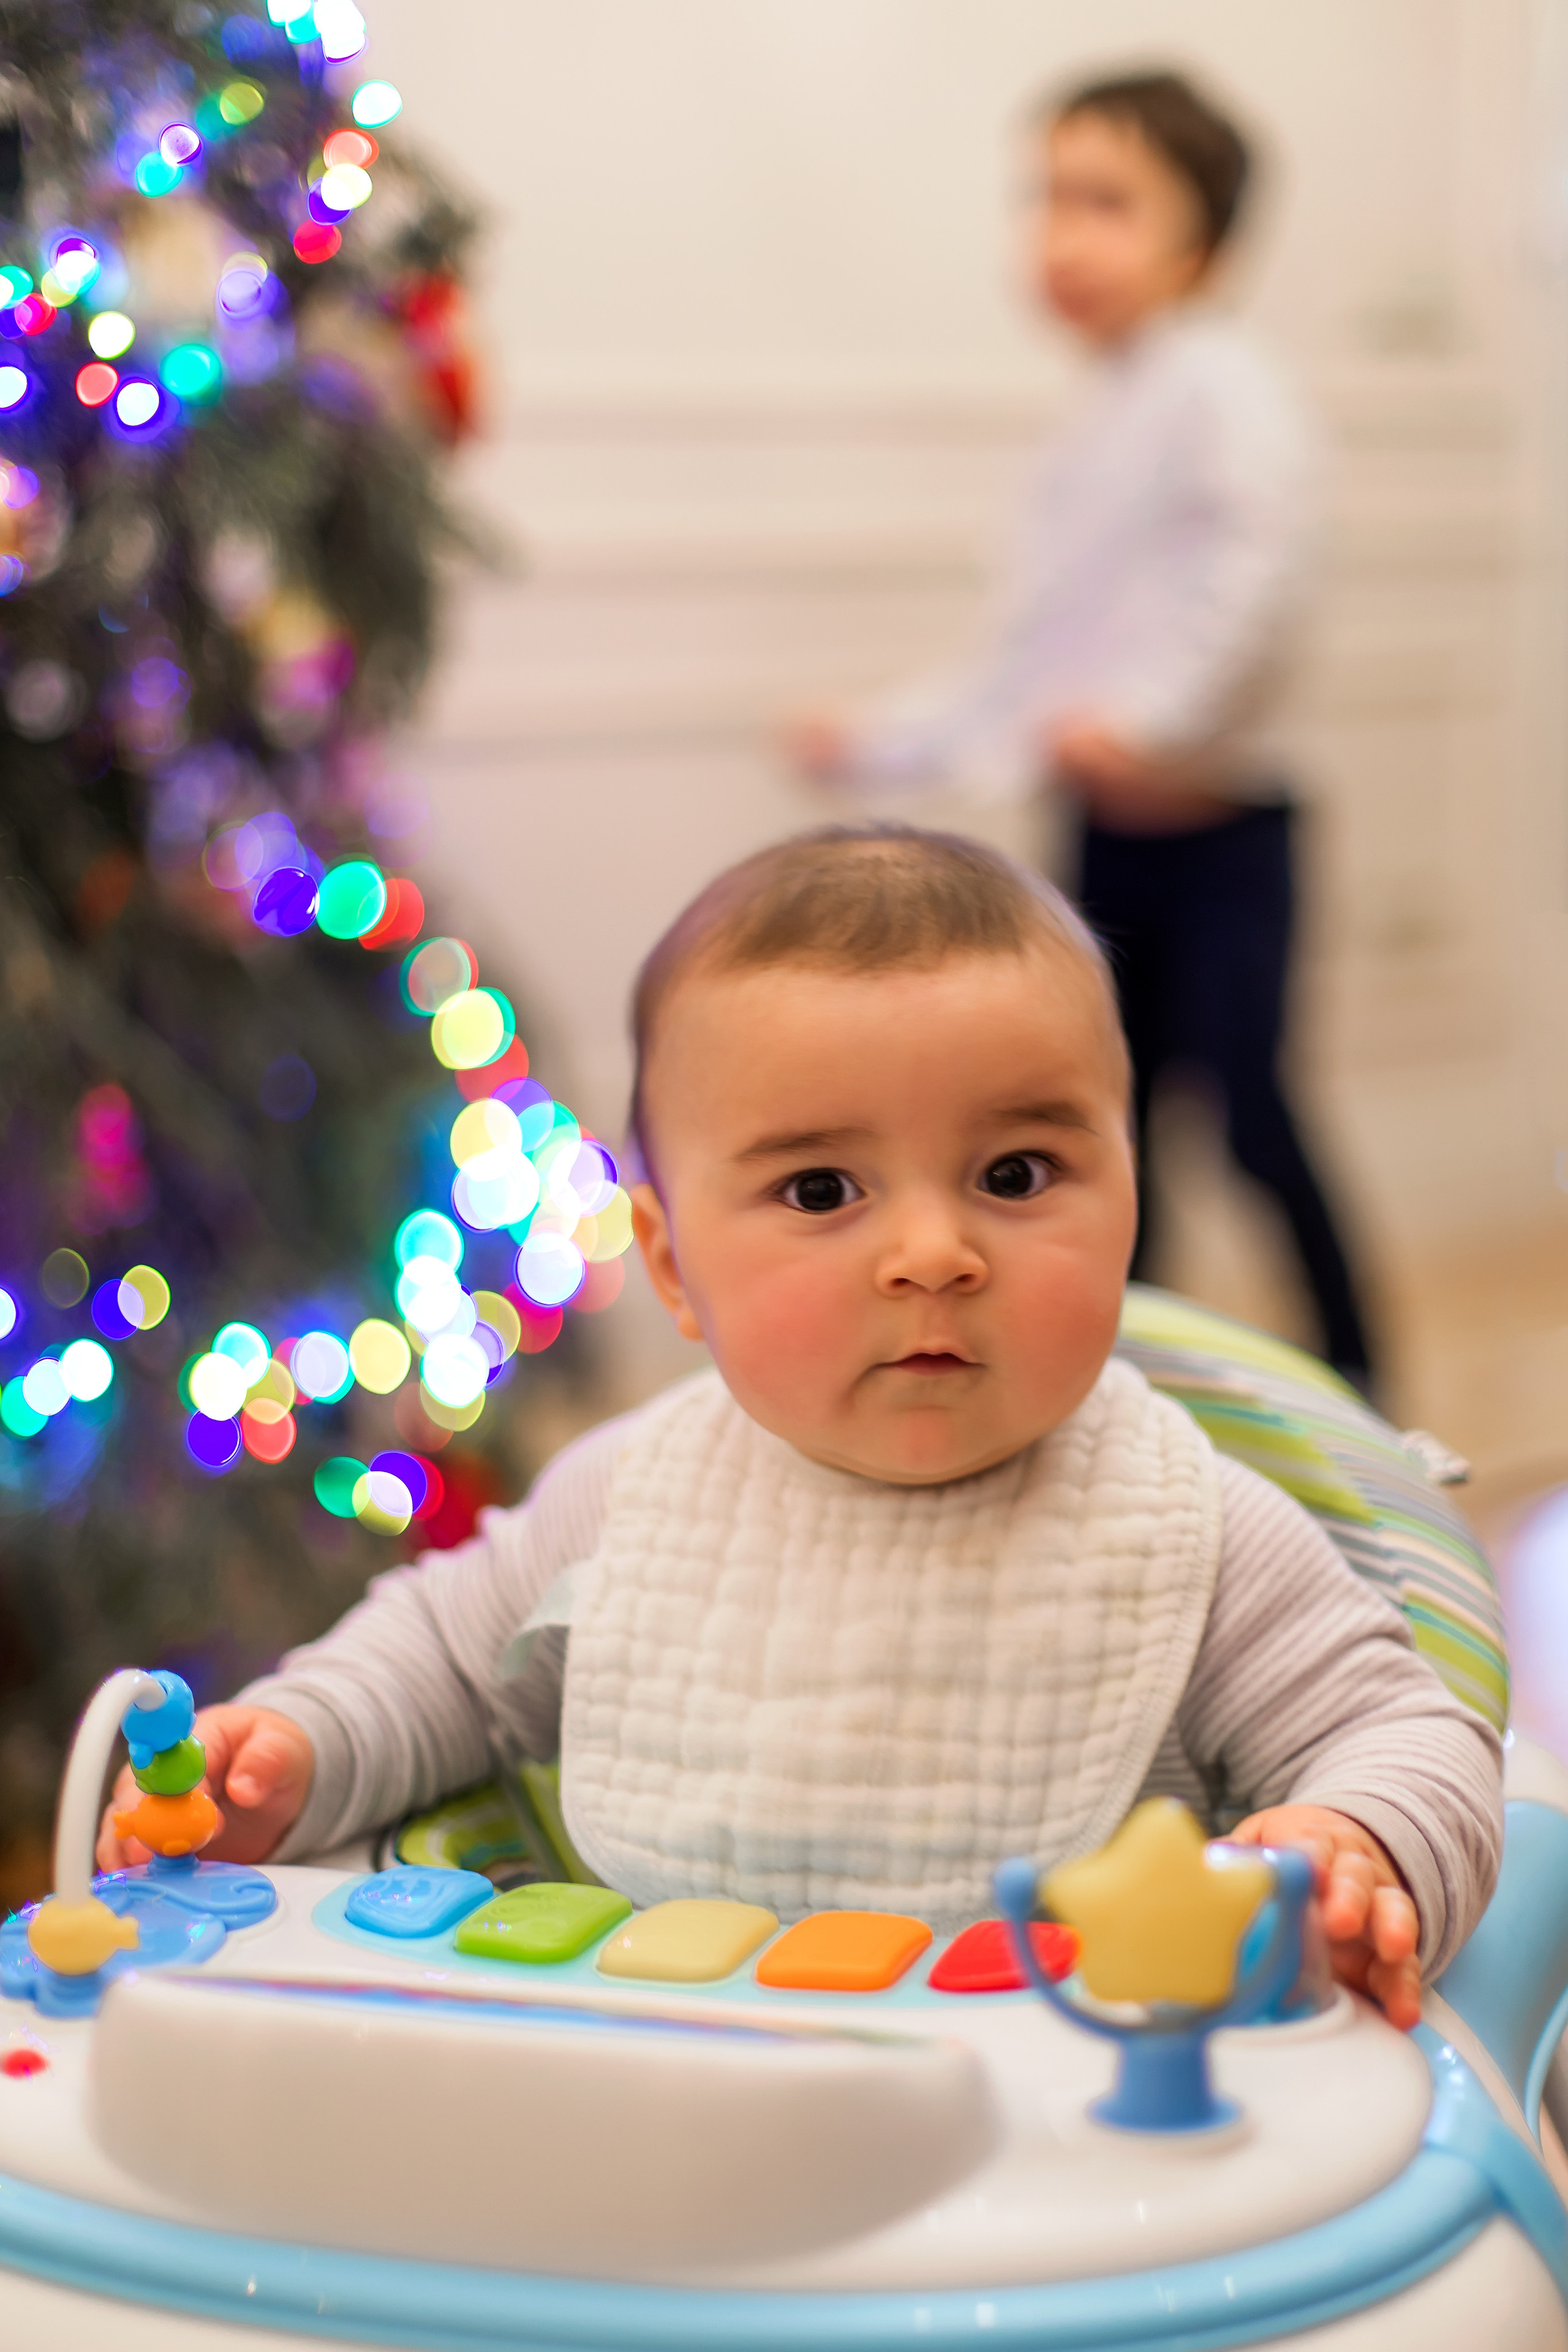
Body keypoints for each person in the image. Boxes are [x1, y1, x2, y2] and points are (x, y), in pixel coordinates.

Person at [99, 829, 1496, 2026]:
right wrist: (300, 1747)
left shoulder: (1197, 1530)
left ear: (1128, 1197)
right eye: (823, 1191)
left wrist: (1351, 1845)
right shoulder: (630, 1500)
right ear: (671, 1265)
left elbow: (1405, 1735)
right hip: (665, 2110)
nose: (933, 1253)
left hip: (1072, 2144)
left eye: (1016, 1173)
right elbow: (442, 1665)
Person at [788, 71, 1375, 1387]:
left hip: (1222, 837)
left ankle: (1359, 1376)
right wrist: (877, 739)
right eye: (1046, 198)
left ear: (1203, 244)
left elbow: (1256, 584)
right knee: (1102, 1125)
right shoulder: (1097, 415)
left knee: (1252, 1118)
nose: (1061, 235)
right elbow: (1027, 656)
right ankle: (1124, 1378)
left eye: (1106, 203)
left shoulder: (1227, 392)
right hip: (1108, 835)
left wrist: (1149, 724)